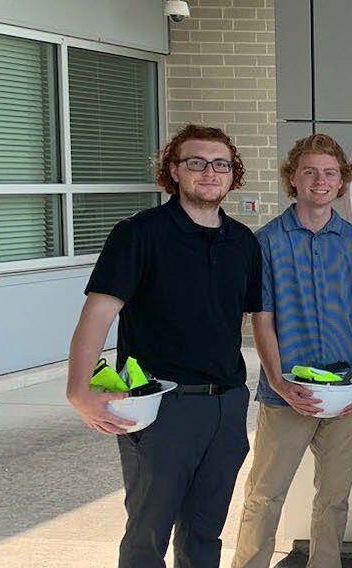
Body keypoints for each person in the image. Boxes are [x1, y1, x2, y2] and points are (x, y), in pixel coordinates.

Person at [65, 124, 262, 568]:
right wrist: (78, 389)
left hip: (227, 406)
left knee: (205, 533)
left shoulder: (243, 243)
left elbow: (251, 319)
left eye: (221, 164)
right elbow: (98, 313)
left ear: (234, 175)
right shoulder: (139, 233)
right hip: (160, 409)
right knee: (147, 536)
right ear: (173, 171)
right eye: (196, 163)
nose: (209, 172)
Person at [233, 134, 352, 568]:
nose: (320, 181)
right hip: (287, 395)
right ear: (293, 178)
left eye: (330, 173)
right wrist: (280, 382)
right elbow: (261, 319)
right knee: (265, 495)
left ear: (341, 182)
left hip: (345, 392)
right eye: (310, 171)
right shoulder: (265, 242)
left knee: (335, 498)